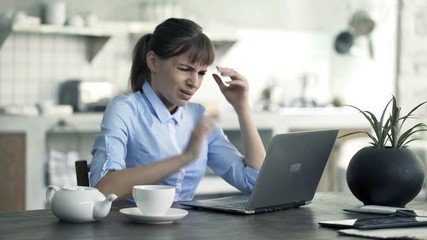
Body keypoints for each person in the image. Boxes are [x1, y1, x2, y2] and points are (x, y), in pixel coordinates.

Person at [90, 18, 266, 201]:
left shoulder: (198, 116)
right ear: (153, 62)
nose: (194, 83)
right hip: (132, 227)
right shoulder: (125, 109)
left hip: (187, 228)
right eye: (184, 69)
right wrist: (185, 157)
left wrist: (242, 107)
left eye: (201, 73)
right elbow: (104, 189)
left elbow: (256, 183)